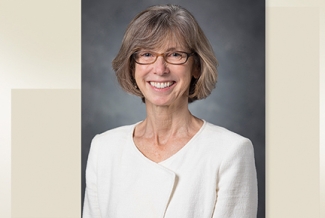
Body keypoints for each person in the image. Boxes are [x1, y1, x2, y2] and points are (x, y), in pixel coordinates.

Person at [83, 4, 257, 218]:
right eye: (146, 54)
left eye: (175, 54)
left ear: (197, 67)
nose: (160, 69)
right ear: (132, 66)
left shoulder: (230, 152)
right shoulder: (104, 149)